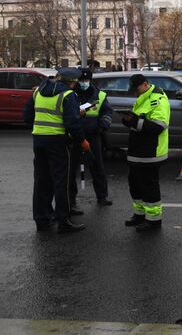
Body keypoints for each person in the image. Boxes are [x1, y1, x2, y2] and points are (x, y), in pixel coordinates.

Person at [23, 67, 89, 233]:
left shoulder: (38, 92)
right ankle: (63, 220)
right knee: (61, 181)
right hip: (58, 142)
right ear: (71, 82)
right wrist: (81, 140)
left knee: (41, 181)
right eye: (75, 82)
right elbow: (72, 124)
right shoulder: (68, 95)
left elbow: (27, 117)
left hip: (38, 139)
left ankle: (42, 219)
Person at [121, 74, 170, 232]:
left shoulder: (158, 99)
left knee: (149, 186)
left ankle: (153, 221)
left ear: (145, 84)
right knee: (135, 184)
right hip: (137, 150)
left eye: (136, 89)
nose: (135, 93)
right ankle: (139, 215)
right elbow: (139, 121)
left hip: (150, 151)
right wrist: (127, 120)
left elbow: (158, 126)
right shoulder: (143, 97)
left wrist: (134, 121)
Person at [69, 68, 113, 206]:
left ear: (90, 80)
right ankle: (71, 199)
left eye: (86, 80)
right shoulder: (70, 94)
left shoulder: (99, 95)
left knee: (97, 167)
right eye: (81, 80)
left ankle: (102, 197)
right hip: (74, 136)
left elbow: (107, 113)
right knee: (71, 169)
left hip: (93, 135)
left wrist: (103, 125)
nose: (84, 83)